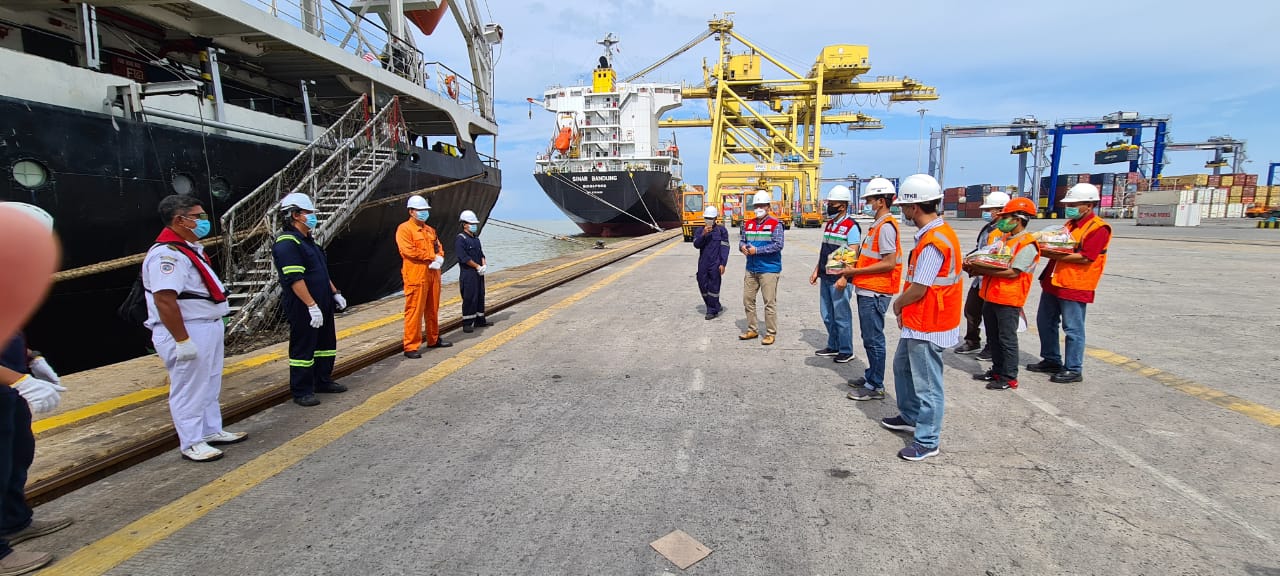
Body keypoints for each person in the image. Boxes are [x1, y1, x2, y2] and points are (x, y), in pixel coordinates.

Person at [142, 195, 246, 461]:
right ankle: (191, 442)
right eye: (198, 217)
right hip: (188, 329)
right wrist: (182, 340)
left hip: (207, 326)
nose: (203, 221)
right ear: (180, 220)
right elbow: (164, 299)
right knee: (189, 386)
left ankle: (211, 430)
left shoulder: (189, 249)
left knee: (210, 382)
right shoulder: (167, 254)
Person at [880, 174, 962, 461]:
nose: (902, 211)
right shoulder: (935, 235)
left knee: (928, 384)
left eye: (904, 206)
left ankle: (927, 440)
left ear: (914, 208)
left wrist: (898, 304)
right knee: (902, 366)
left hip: (930, 323)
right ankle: (911, 415)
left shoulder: (933, 242)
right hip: (921, 320)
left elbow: (919, 288)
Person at [1028, 183, 1112, 383]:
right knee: (1045, 322)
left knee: (1073, 329)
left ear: (1089, 205)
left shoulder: (1098, 228)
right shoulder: (1071, 224)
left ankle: (1073, 368)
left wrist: (1049, 252)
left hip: (1075, 285)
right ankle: (1051, 359)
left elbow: (1086, 257)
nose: (1069, 207)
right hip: (1054, 282)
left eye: (1074, 203)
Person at [272, 192, 348, 407]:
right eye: (309, 213)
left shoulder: (309, 242)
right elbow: (295, 278)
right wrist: (311, 305)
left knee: (325, 344)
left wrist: (335, 292)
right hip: (304, 305)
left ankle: (322, 380)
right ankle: (302, 390)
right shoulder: (287, 244)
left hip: (322, 300)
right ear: (295, 215)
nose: (313, 217)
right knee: (303, 348)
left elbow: (321, 272)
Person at [965, 198, 1040, 390]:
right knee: (994, 336)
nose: (1001, 221)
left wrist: (984, 270)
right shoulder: (1004, 240)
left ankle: (1009, 376)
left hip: (1009, 299)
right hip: (991, 295)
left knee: (1007, 339)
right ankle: (997, 370)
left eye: (1005, 217)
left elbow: (1013, 272)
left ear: (1018, 219)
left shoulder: (1027, 243)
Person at [843, 178, 902, 401]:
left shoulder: (886, 227)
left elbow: (889, 262)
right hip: (868, 288)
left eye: (870, 200)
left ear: (881, 201)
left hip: (875, 291)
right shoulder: (877, 225)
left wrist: (854, 273)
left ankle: (875, 385)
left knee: (874, 339)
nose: (867, 203)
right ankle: (871, 376)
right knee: (868, 337)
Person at [954, 191, 1010, 358]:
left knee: (991, 316)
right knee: (971, 310)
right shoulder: (988, 228)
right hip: (979, 278)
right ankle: (972, 341)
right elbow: (981, 249)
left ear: (1000, 210)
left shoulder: (1004, 231)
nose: (987, 212)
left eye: (990, 209)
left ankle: (992, 347)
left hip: (992, 278)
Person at [809, 185, 860, 363]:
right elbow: (825, 249)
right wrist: (817, 269)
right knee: (827, 313)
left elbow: (853, 253)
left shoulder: (851, 226)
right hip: (826, 275)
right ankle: (834, 345)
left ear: (843, 206)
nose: (829, 206)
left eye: (833, 203)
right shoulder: (830, 224)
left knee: (841, 315)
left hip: (839, 278)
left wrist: (845, 277)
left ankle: (846, 349)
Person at [397, 195, 451, 357]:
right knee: (414, 310)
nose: (423, 213)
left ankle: (433, 338)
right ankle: (411, 346)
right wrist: (432, 257)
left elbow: (438, 246)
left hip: (433, 274)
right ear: (411, 211)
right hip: (416, 275)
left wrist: (440, 257)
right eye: (420, 211)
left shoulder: (430, 230)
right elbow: (407, 250)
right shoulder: (404, 229)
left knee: (432, 308)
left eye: (425, 211)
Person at [738, 190, 784, 345]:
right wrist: (742, 247)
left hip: (769, 269)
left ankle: (770, 333)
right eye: (756, 205)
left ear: (768, 207)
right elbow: (742, 241)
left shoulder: (775, 224)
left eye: (761, 205)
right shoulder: (748, 224)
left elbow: (778, 245)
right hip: (751, 268)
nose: (758, 208)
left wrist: (757, 250)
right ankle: (752, 329)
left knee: (769, 302)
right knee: (747, 300)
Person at [455, 210, 491, 333]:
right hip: (468, 273)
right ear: (465, 224)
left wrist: (484, 264)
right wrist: (477, 266)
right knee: (469, 297)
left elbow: (481, 253)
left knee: (480, 295)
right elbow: (463, 257)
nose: (474, 225)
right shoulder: (461, 239)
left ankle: (480, 320)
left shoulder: (476, 239)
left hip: (479, 273)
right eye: (471, 223)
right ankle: (467, 323)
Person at [693, 205, 729, 320]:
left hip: (716, 262)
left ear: (715, 218)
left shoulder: (721, 230)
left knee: (714, 285)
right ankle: (716, 305)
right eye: (707, 217)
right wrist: (703, 234)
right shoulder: (699, 230)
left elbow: (725, 248)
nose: (709, 220)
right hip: (703, 262)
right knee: (702, 282)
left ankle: (711, 310)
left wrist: (723, 263)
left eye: (711, 218)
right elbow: (696, 245)